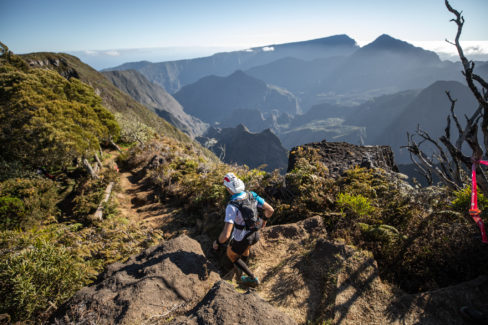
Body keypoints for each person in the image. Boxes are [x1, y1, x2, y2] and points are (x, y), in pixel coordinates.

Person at [213, 172, 274, 286]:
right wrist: (264, 220)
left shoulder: (232, 206)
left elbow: (226, 235)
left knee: (231, 254)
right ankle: (242, 271)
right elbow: (270, 210)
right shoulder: (252, 195)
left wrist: (217, 242)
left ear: (228, 188)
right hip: (255, 233)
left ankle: (251, 278)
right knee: (246, 249)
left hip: (242, 236)